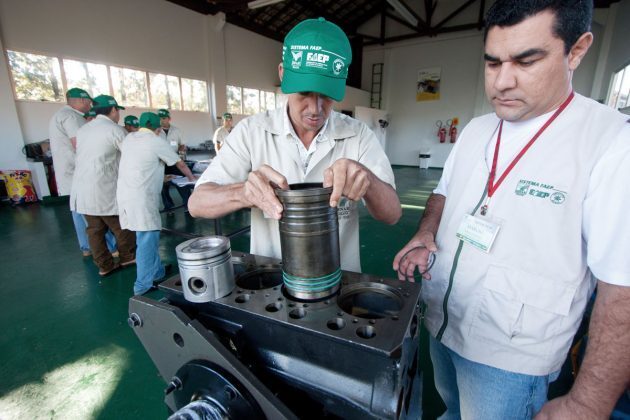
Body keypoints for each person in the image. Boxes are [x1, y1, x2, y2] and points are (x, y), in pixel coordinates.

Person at [393, 1, 630, 418]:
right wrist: (426, 231)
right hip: (444, 322)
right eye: (492, 63)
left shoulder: (610, 144)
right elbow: (443, 194)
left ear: (576, 50)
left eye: (526, 61)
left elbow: (623, 288)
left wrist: (589, 402)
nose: (502, 82)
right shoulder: (477, 129)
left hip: (510, 356)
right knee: (451, 411)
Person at [189, 18, 401, 273]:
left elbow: (392, 214)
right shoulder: (252, 132)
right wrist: (244, 192)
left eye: (325, 95)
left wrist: (368, 180)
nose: (315, 109)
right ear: (282, 74)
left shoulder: (357, 135)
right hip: (270, 280)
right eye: (304, 93)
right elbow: (197, 203)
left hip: (339, 279)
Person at [117, 112, 196, 295]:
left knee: (144, 235)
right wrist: (192, 178)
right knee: (146, 238)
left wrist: (162, 175)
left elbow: (141, 163)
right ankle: (142, 285)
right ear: (158, 128)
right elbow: (180, 164)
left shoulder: (129, 138)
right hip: (141, 197)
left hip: (126, 193)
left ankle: (157, 271)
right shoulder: (156, 141)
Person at [70, 95, 136, 276]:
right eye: (118, 111)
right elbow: (133, 157)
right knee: (122, 225)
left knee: (94, 230)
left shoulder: (83, 130)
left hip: (81, 189)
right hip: (104, 188)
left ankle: (104, 266)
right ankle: (127, 257)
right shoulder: (114, 130)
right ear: (114, 110)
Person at [49, 87, 115, 257]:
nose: (89, 105)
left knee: (79, 209)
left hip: (71, 171)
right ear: (80, 100)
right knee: (91, 211)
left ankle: (86, 247)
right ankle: (109, 246)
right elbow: (79, 144)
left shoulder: (60, 114)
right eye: (88, 102)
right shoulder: (72, 116)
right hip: (79, 170)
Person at [158, 108, 187, 210]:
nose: (161, 120)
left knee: (181, 181)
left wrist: (181, 151)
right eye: (159, 118)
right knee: (163, 185)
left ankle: (187, 204)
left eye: (164, 118)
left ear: (169, 119)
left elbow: (182, 144)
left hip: (174, 160)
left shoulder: (176, 131)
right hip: (160, 162)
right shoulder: (156, 131)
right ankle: (168, 206)